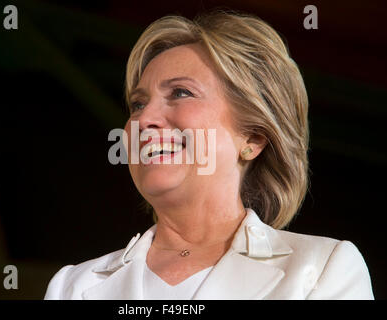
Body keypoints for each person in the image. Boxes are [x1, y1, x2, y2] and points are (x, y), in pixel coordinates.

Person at [44, 11, 374, 300]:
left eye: (181, 93)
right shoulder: (71, 287)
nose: (143, 120)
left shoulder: (321, 269)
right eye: (138, 104)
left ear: (253, 137)